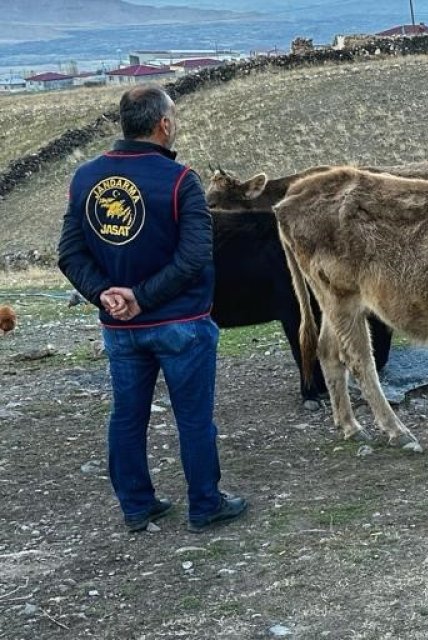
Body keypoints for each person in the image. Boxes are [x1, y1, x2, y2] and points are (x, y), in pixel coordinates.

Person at [58, 85, 248, 533]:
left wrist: (106, 294)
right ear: (164, 124)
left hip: (120, 329)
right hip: (181, 323)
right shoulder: (182, 181)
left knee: (127, 416)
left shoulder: (85, 179)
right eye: (173, 116)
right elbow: (195, 255)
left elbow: (69, 253)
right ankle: (205, 504)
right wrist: (141, 296)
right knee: (194, 418)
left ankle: (137, 506)